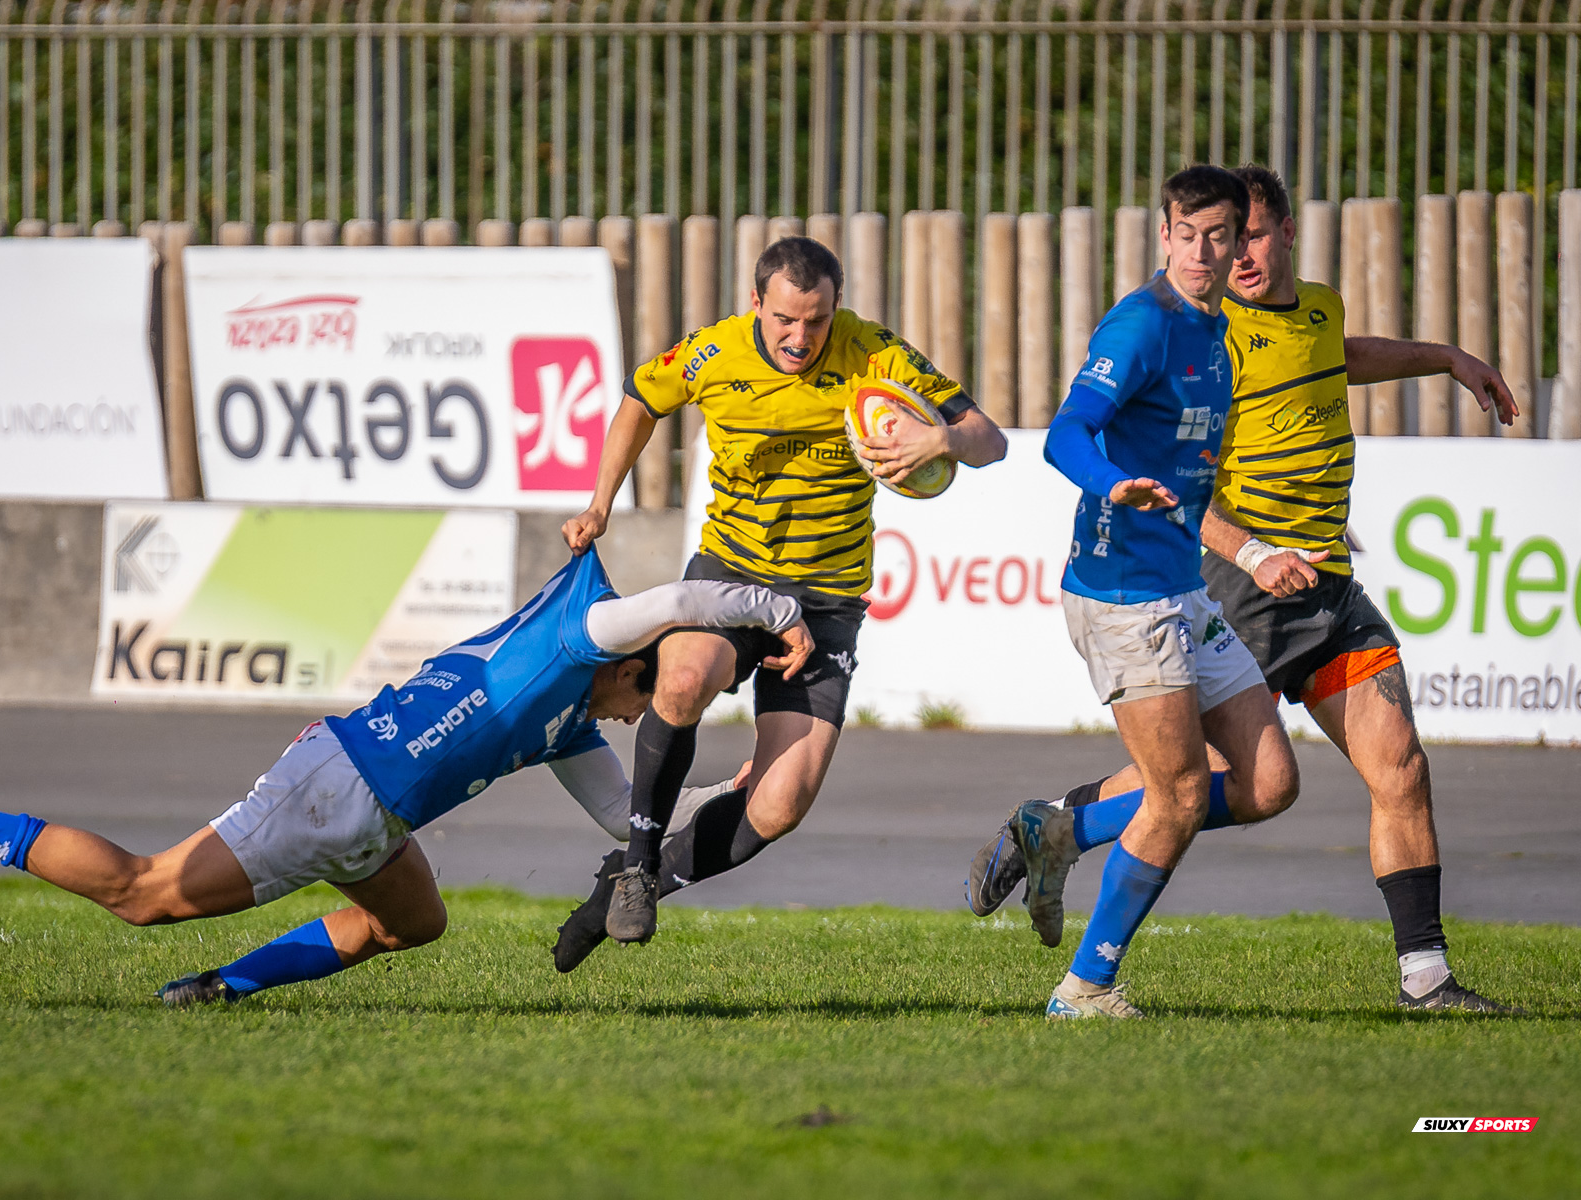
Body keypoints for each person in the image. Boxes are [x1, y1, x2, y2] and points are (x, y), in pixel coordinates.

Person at [967, 164, 1521, 1013]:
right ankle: (1070, 870)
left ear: (1282, 232)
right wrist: (1235, 541)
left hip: (1325, 587)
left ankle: (1427, 977)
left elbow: (1333, 354)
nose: (1232, 256)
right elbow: (1105, 444)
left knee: (1383, 769)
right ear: (1171, 238)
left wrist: (1442, 357)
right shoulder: (1187, 331)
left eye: (1243, 235)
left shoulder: (1301, 312)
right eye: (1211, 238)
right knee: (1188, 782)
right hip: (1235, 582)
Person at [0, 549, 808, 1006]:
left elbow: (631, 816)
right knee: (144, 893)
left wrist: (752, 788)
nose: (651, 719)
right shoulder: (573, 642)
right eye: (657, 699)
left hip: (371, 815)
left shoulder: (570, 727)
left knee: (411, 924)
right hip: (334, 784)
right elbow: (681, 597)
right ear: (633, 667)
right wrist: (768, 607)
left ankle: (224, 988)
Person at [553, 235, 1008, 968]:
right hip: (732, 572)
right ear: (755, 304)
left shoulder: (874, 352)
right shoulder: (712, 353)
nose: (801, 338)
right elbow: (641, 399)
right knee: (683, 677)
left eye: (818, 320)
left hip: (827, 597)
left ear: (837, 308)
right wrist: (601, 502)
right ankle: (637, 858)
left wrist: (943, 439)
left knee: (779, 805)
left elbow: (990, 439)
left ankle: (628, 887)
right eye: (785, 321)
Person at [1022, 164, 1306, 1020]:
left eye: (1220, 235)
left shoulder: (1218, 334)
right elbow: (1065, 432)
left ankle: (1061, 830)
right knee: (1179, 793)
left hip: (1180, 587)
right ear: (1165, 237)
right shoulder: (1142, 324)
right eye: (1187, 235)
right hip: (1122, 593)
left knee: (1269, 784)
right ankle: (1084, 989)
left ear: (1240, 238)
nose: (1203, 252)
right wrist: (1111, 484)